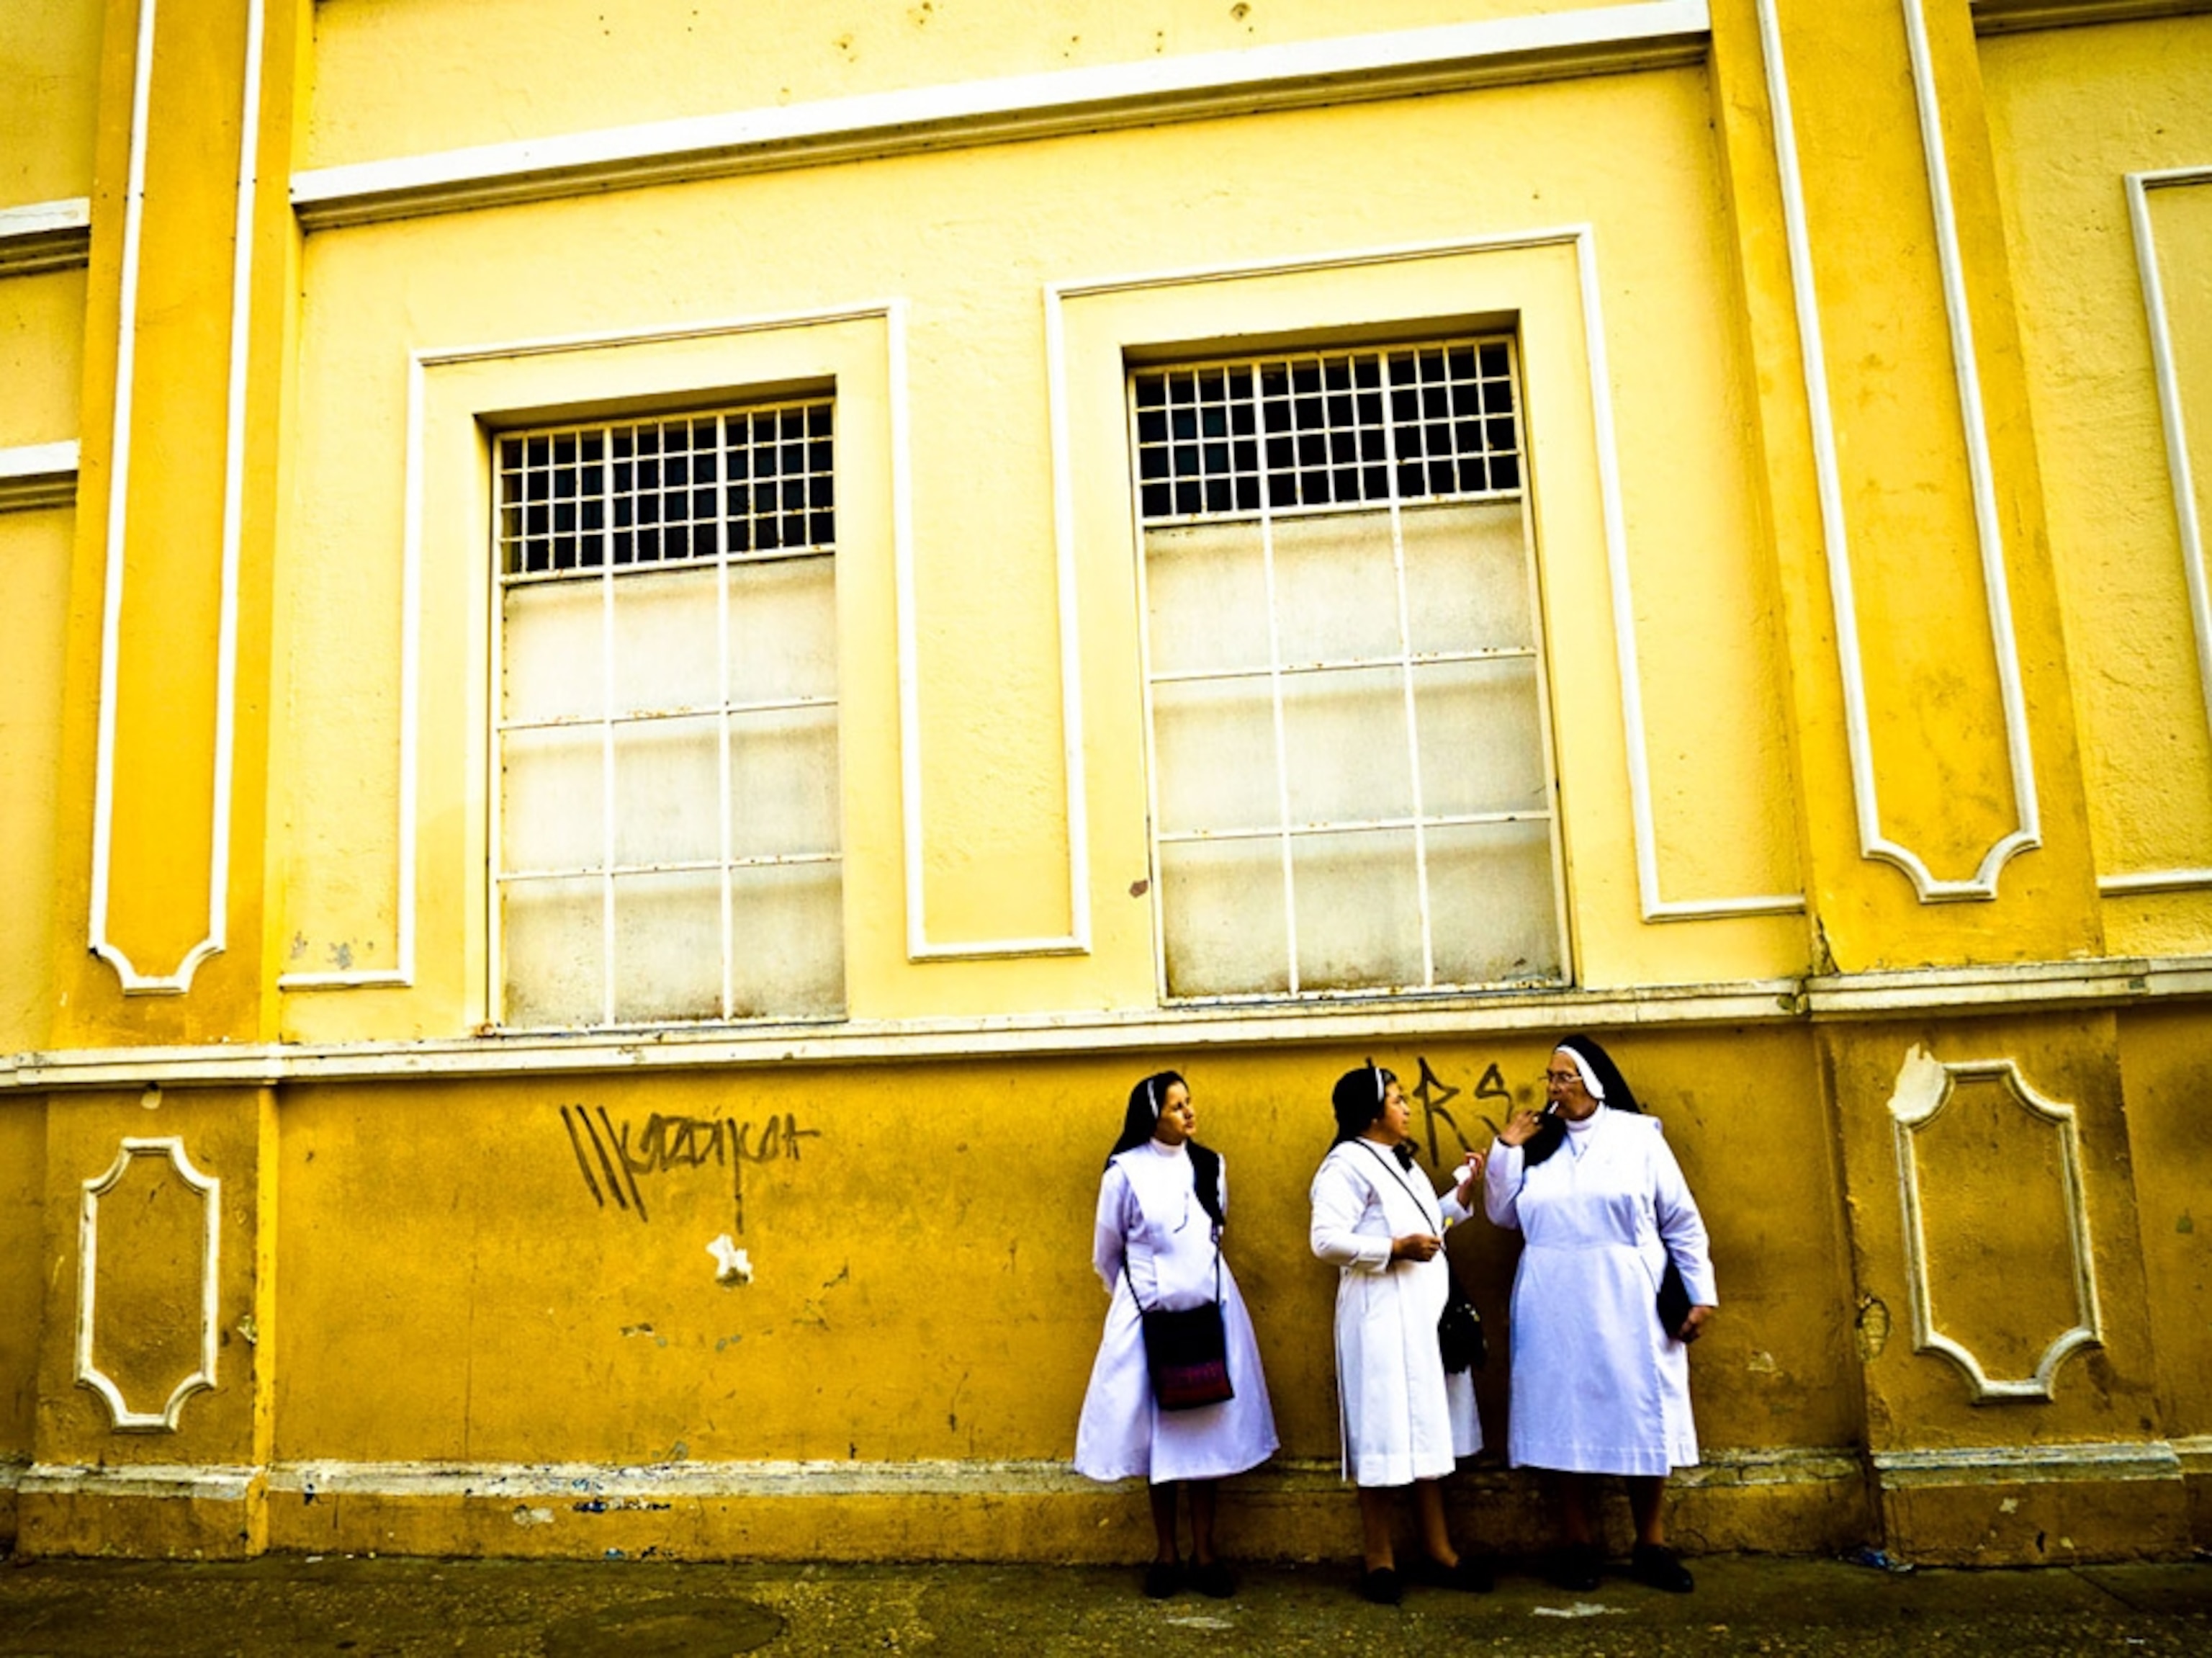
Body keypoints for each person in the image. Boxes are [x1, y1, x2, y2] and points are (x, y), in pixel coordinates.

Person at [1482, 1034, 1717, 1594]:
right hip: (1552, 1297)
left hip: (1628, 1297)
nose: (1555, 1088)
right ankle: (1576, 1542)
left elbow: (1680, 1220)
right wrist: (1507, 1147)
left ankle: (1652, 1545)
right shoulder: (1538, 1145)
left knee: (1641, 1412)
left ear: (1594, 1082)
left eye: (1565, 1077)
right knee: (1563, 1417)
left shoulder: (1639, 1137)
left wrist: (1700, 1292)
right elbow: (1500, 1216)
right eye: (1550, 1078)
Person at [1075, 1070, 1277, 1598]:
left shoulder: (1210, 1165)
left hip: (1212, 1313)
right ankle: (1166, 1554)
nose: (1189, 1113)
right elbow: (1107, 1250)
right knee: (1160, 1440)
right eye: (1176, 1107)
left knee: (1205, 1434)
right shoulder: (1124, 1173)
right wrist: (1142, 1298)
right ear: (1152, 1116)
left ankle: (1205, 1552)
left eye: (1189, 1103)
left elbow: (1216, 1229)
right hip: (1148, 1320)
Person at [1308, 1062, 1491, 1605]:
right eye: (1397, 1098)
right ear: (1370, 1113)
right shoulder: (1344, 1166)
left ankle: (1439, 1550)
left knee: (1428, 1431)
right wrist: (1392, 1251)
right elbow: (1326, 1241)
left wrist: (1459, 1198)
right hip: (1378, 1317)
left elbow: (1424, 1226)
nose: (1408, 1106)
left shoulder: (1399, 1164)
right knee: (1383, 1430)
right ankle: (1378, 1558)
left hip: (1418, 1317)